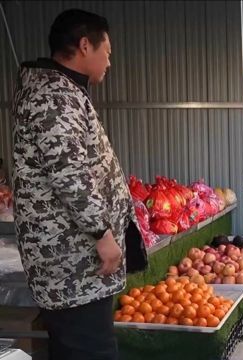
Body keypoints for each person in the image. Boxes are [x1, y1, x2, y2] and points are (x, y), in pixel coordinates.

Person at [12, 9, 138, 360]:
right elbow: (70, 175)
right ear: (85, 45)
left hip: (73, 264)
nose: (109, 61)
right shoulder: (53, 97)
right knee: (90, 350)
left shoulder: (61, 91)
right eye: (107, 52)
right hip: (72, 265)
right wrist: (103, 234)